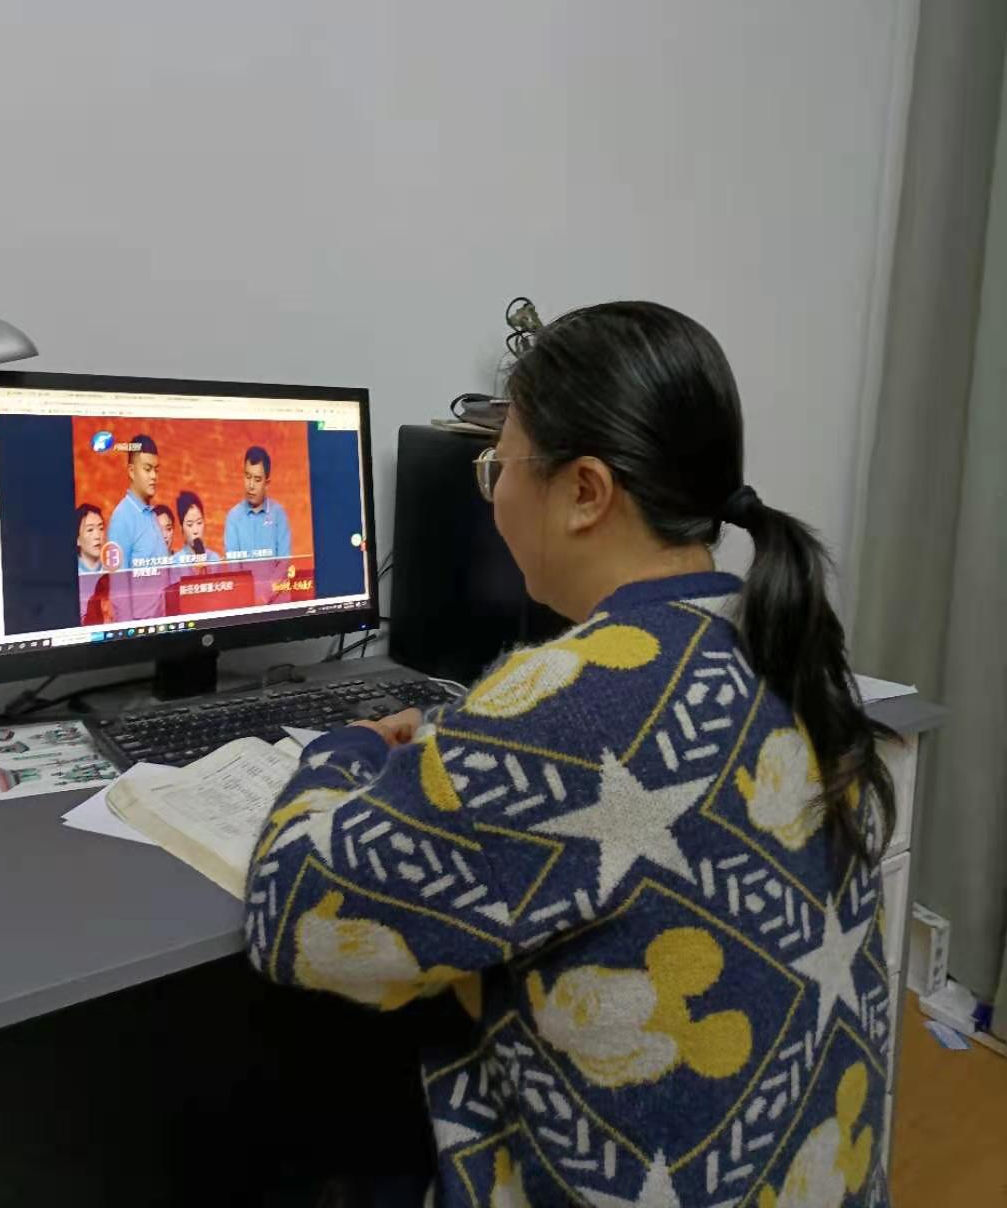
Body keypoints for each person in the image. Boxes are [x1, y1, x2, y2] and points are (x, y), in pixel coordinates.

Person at [245, 302, 896, 1208]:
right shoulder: (782, 645)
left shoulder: (563, 706)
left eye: (497, 467)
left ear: (586, 491)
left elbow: (289, 914)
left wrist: (346, 747)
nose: (493, 495)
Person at [105, 434, 166, 570]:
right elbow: (118, 581)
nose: (154, 476)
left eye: (156, 470)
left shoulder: (152, 515)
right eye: (147, 469)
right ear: (131, 472)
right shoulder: (122, 519)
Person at [224, 446, 291, 560]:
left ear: (267, 484)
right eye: (248, 477)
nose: (251, 485)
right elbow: (233, 565)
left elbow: (284, 562)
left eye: (257, 480)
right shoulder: (233, 517)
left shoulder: (279, 515)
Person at [171, 490, 221, 567]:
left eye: (199, 523)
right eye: (190, 525)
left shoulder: (214, 559)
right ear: (181, 528)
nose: (195, 531)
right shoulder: (176, 562)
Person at [75, 503, 105, 574]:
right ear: (77, 539)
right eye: (90, 530)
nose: (97, 536)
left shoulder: (113, 569)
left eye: (101, 528)